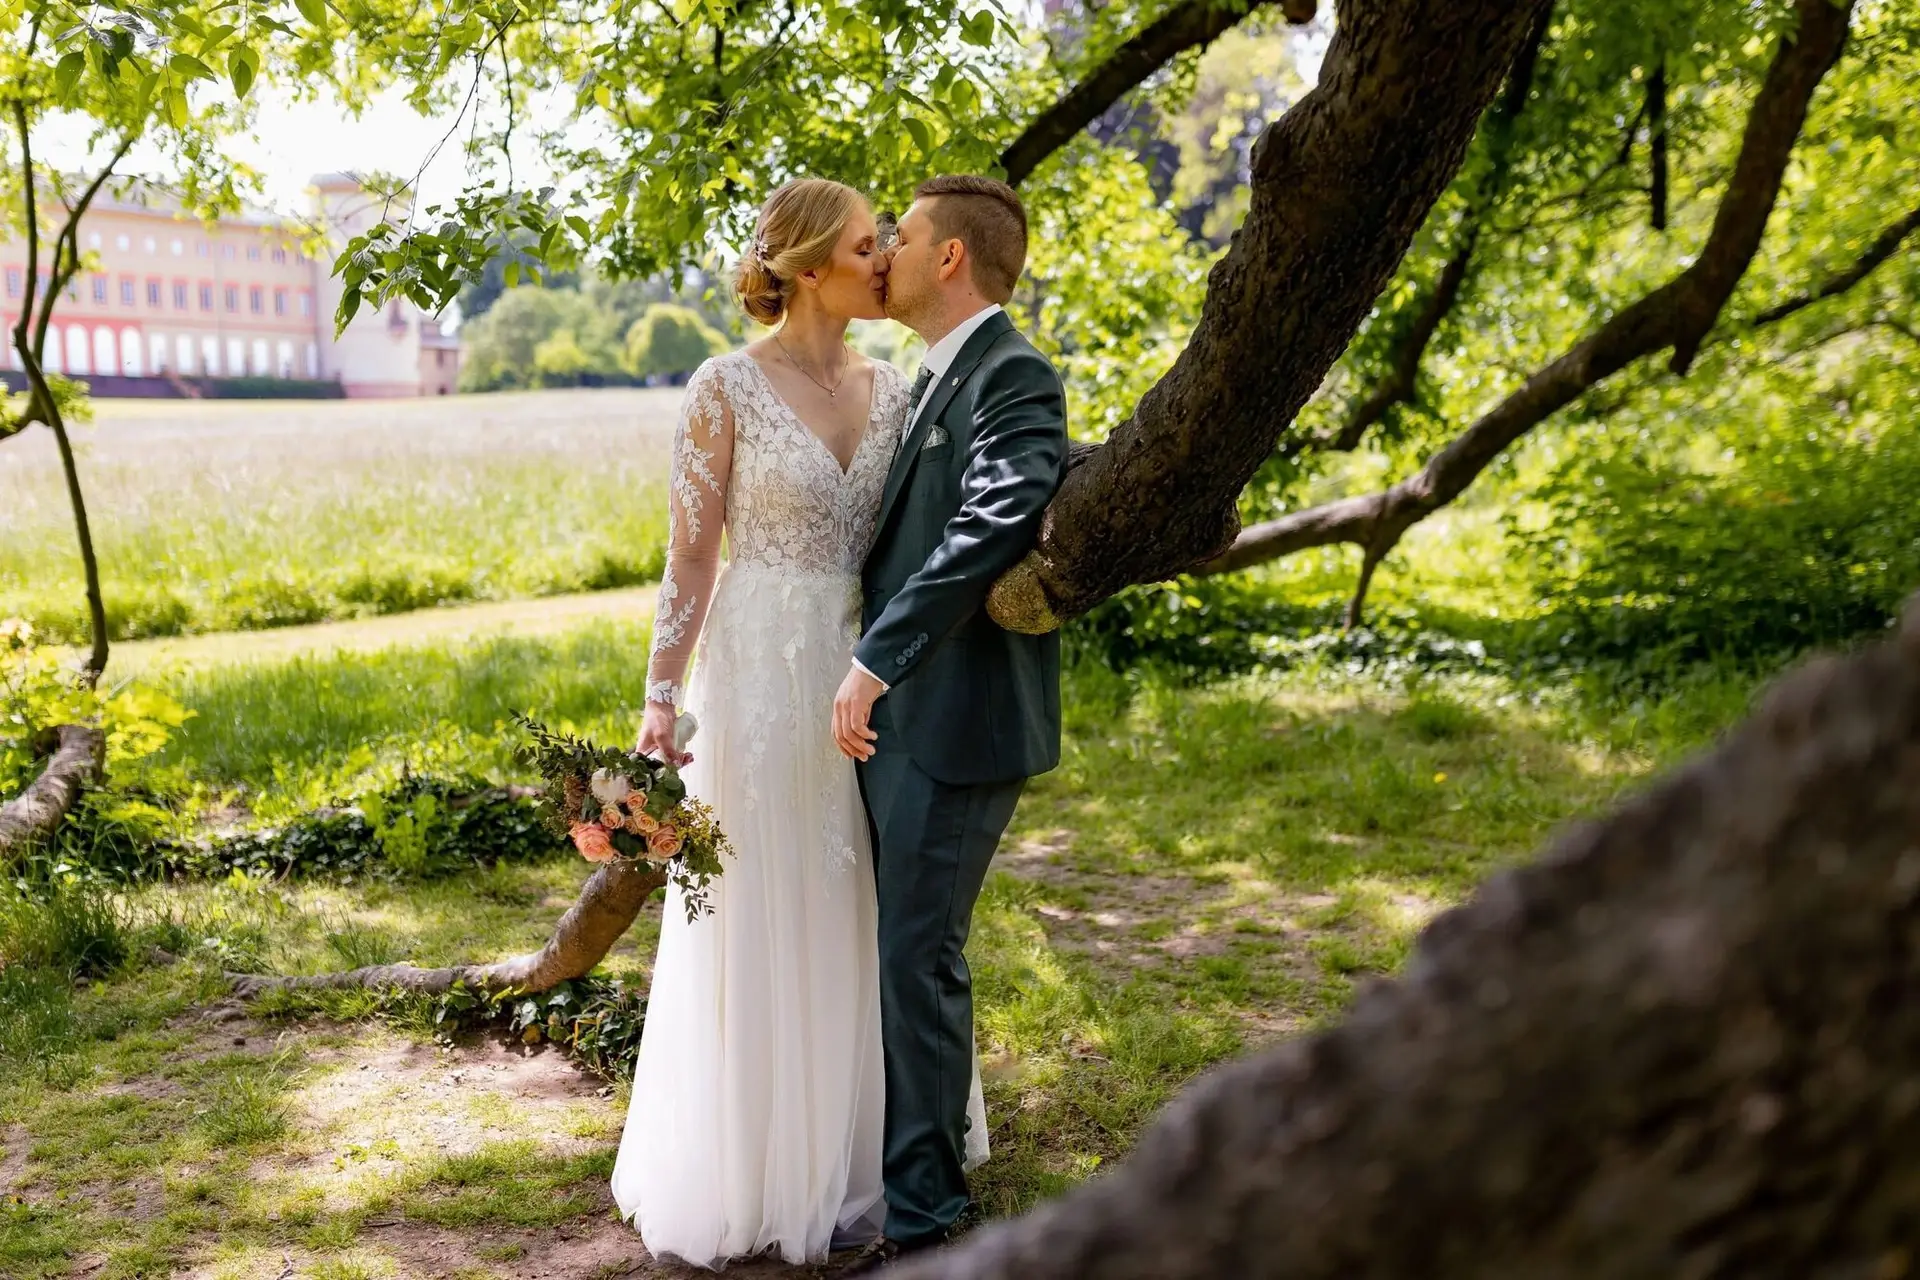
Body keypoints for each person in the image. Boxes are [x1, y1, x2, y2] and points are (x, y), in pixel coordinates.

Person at [608, 177, 991, 1268]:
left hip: (866, 670)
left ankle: (875, 1149)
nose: (891, 261)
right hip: (759, 675)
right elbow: (690, 559)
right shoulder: (722, 387)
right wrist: (659, 699)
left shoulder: (899, 387)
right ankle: (763, 1157)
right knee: (765, 895)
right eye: (873, 245)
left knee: (873, 892)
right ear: (812, 264)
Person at [831, 175, 1069, 1270]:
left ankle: (926, 1217)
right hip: (906, 720)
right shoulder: (936, 374)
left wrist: (878, 655)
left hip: (958, 716)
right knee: (903, 950)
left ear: (952, 259)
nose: (886, 248)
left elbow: (996, 515)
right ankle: (913, 1187)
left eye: (905, 234)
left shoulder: (1012, 371)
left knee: (920, 954)